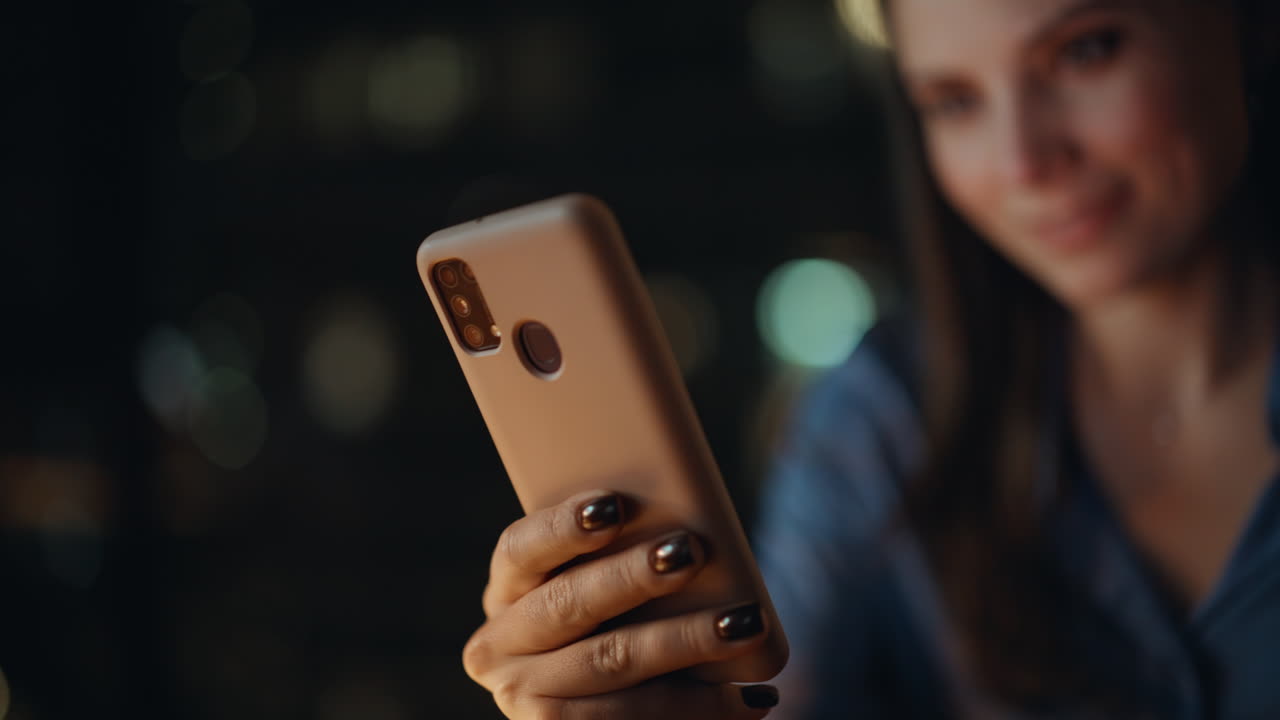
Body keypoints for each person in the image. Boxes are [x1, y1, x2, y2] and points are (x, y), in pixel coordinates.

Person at [460, 0, 1280, 717]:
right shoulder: (882, 420)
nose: (1024, 162)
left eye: (1087, 50)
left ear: (1245, 21)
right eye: (954, 100)